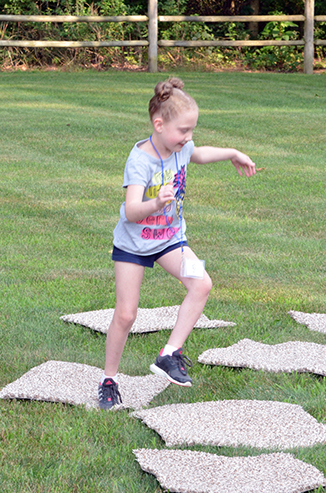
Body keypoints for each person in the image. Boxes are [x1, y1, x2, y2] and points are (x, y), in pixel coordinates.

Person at [98, 77, 255, 410]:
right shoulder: (141, 160)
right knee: (126, 316)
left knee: (201, 285)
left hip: (170, 239)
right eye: (183, 130)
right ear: (159, 124)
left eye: (191, 130)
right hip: (134, 244)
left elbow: (200, 153)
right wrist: (156, 203)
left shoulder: (182, 147)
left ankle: (169, 354)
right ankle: (109, 379)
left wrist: (233, 153)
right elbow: (129, 212)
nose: (188, 137)